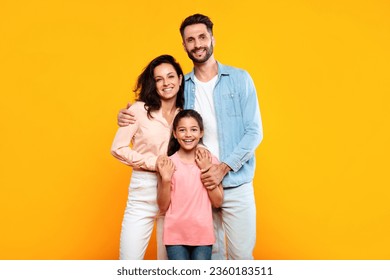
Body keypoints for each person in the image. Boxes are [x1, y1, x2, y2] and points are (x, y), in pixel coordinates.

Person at [118, 14, 263, 259]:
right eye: (190, 40)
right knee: (209, 258)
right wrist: (129, 114)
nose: (197, 44)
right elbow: (158, 106)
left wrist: (223, 168)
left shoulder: (240, 79)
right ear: (184, 45)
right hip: (195, 187)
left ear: (212, 38)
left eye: (202, 37)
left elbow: (254, 132)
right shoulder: (181, 85)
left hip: (236, 183)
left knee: (241, 258)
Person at [111, 54, 184, 259]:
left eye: (170, 77)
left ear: (180, 79)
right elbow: (118, 148)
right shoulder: (137, 111)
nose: (166, 83)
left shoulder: (185, 114)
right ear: (153, 83)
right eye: (159, 79)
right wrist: (154, 163)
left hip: (174, 194)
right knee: (129, 263)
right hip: (142, 192)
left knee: (169, 265)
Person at [157, 109, 223, 260]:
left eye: (193, 129)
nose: (188, 135)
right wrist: (166, 179)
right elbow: (162, 206)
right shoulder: (168, 163)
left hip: (203, 236)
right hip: (175, 236)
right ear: (174, 133)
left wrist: (206, 169)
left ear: (201, 133)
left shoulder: (210, 160)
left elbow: (218, 201)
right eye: (182, 130)